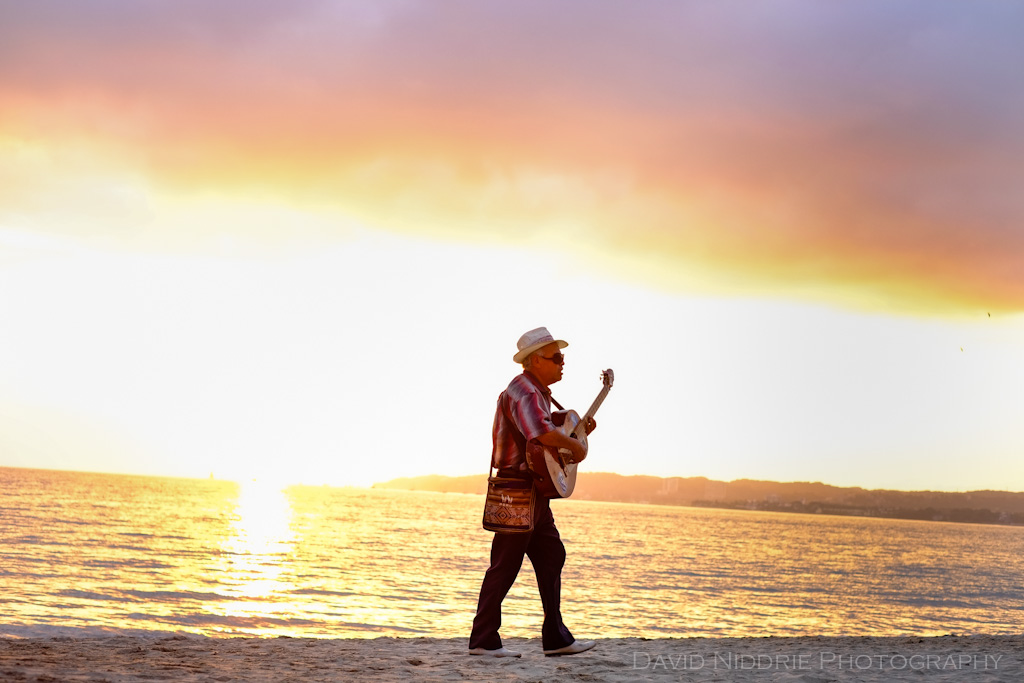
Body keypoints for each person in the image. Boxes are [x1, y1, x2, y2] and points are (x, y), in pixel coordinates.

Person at [468, 326, 597, 658]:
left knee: (552, 555)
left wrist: (575, 432)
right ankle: (483, 640)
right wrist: (574, 446)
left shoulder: (535, 392)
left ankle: (556, 638)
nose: (562, 363)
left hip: (532, 490)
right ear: (536, 360)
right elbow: (540, 434)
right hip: (519, 490)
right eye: (557, 357)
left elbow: (546, 429)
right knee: (505, 565)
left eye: (562, 357)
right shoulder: (525, 391)